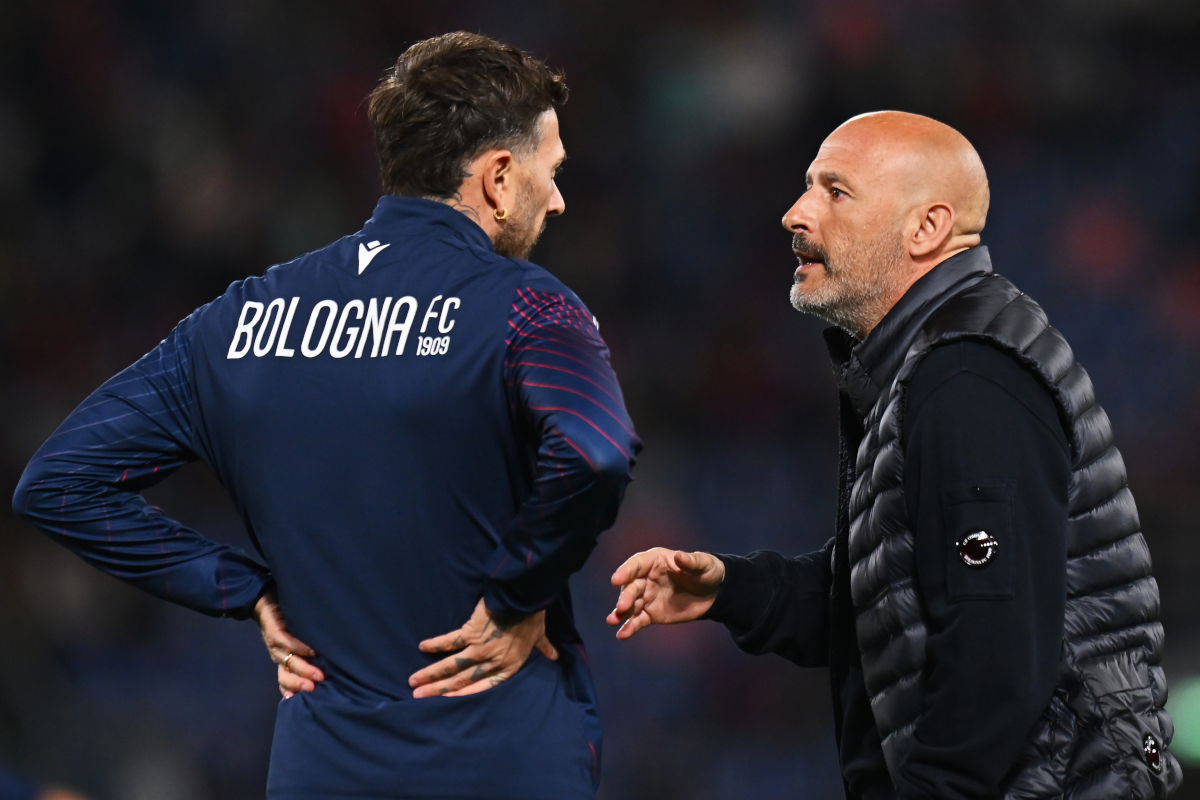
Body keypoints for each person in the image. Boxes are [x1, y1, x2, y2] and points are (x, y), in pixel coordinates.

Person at [13, 32, 640, 800]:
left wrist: (242, 589)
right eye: (553, 171)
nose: (559, 197)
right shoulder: (528, 306)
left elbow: (59, 482)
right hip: (499, 753)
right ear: (500, 177)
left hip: (324, 766)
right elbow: (596, 450)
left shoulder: (239, 321)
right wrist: (516, 594)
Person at [608, 111, 1179, 799]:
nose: (796, 213)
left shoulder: (965, 379)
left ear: (927, 229)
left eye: (835, 191)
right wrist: (732, 590)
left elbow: (995, 664)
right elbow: (894, 595)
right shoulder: (927, 366)